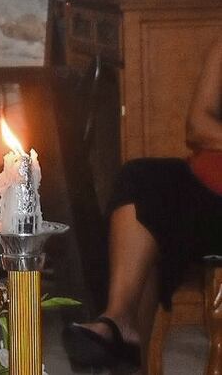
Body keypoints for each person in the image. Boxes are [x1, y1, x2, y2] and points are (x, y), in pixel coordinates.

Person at [63, 37, 222, 369]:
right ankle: (117, 319)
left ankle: (121, 339)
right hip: (207, 187)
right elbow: (197, 126)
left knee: (155, 230)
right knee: (141, 181)